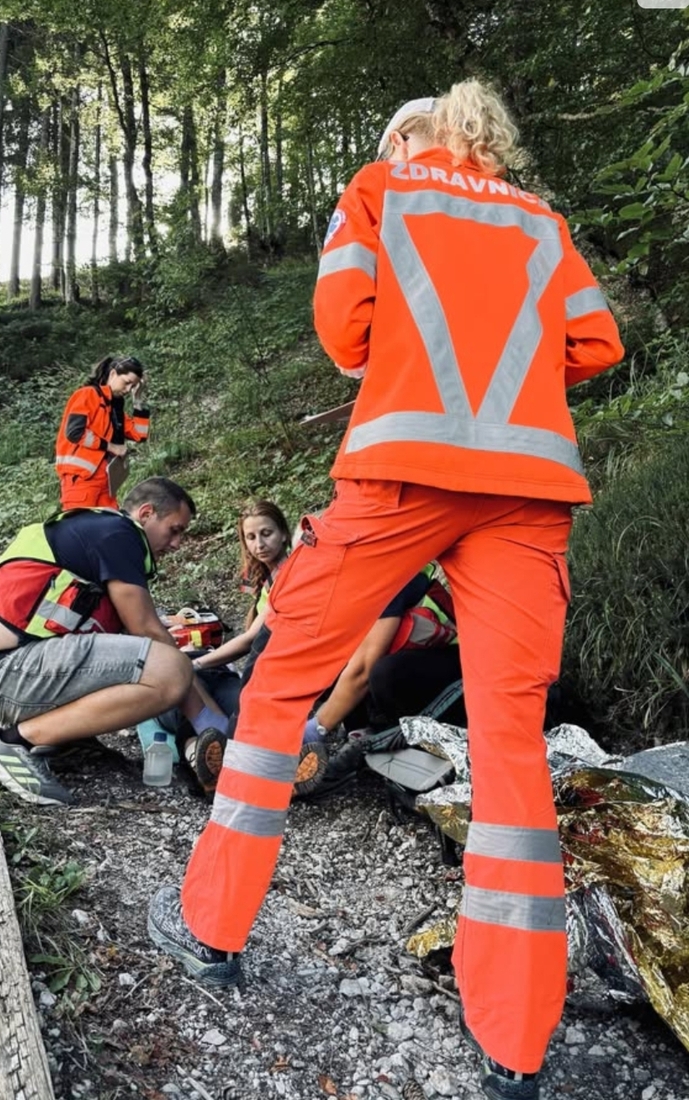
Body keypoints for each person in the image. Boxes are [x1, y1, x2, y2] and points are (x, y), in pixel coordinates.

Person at [148, 80, 624, 1100]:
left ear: (410, 137)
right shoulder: (541, 223)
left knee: (281, 686)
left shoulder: (381, 189)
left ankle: (209, 925)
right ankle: (513, 1037)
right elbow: (595, 343)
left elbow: (343, 332)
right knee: (509, 741)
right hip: (527, 493)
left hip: (400, 475)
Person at [0, 477, 226, 806]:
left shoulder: (94, 535)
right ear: (146, 513)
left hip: (20, 669)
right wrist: (209, 720)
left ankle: (63, 740)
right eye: (174, 530)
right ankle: (16, 741)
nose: (177, 543)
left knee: (149, 664)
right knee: (170, 669)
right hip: (13, 670)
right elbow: (148, 631)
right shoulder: (118, 533)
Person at [135, 500, 292, 789]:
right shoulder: (268, 576)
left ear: (283, 533)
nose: (259, 544)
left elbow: (249, 639)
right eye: (251, 537)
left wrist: (194, 663)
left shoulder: (288, 576)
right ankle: (205, 758)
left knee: (216, 702)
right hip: (223, 670)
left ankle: (208, 757)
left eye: (266, 533)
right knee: (189, 698)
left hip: (241, 673)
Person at [55, 354, 150, 510]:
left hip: (106, 481)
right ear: (112, 374)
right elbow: (75, 432)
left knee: (110, 523)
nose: (128, 390)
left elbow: (139, 434)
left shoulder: (113, 407)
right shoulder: (87, 394)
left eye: (133, 386)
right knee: (82, 523)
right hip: (81, 479)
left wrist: (138, 400)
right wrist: (112, 447)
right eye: (127, 383)